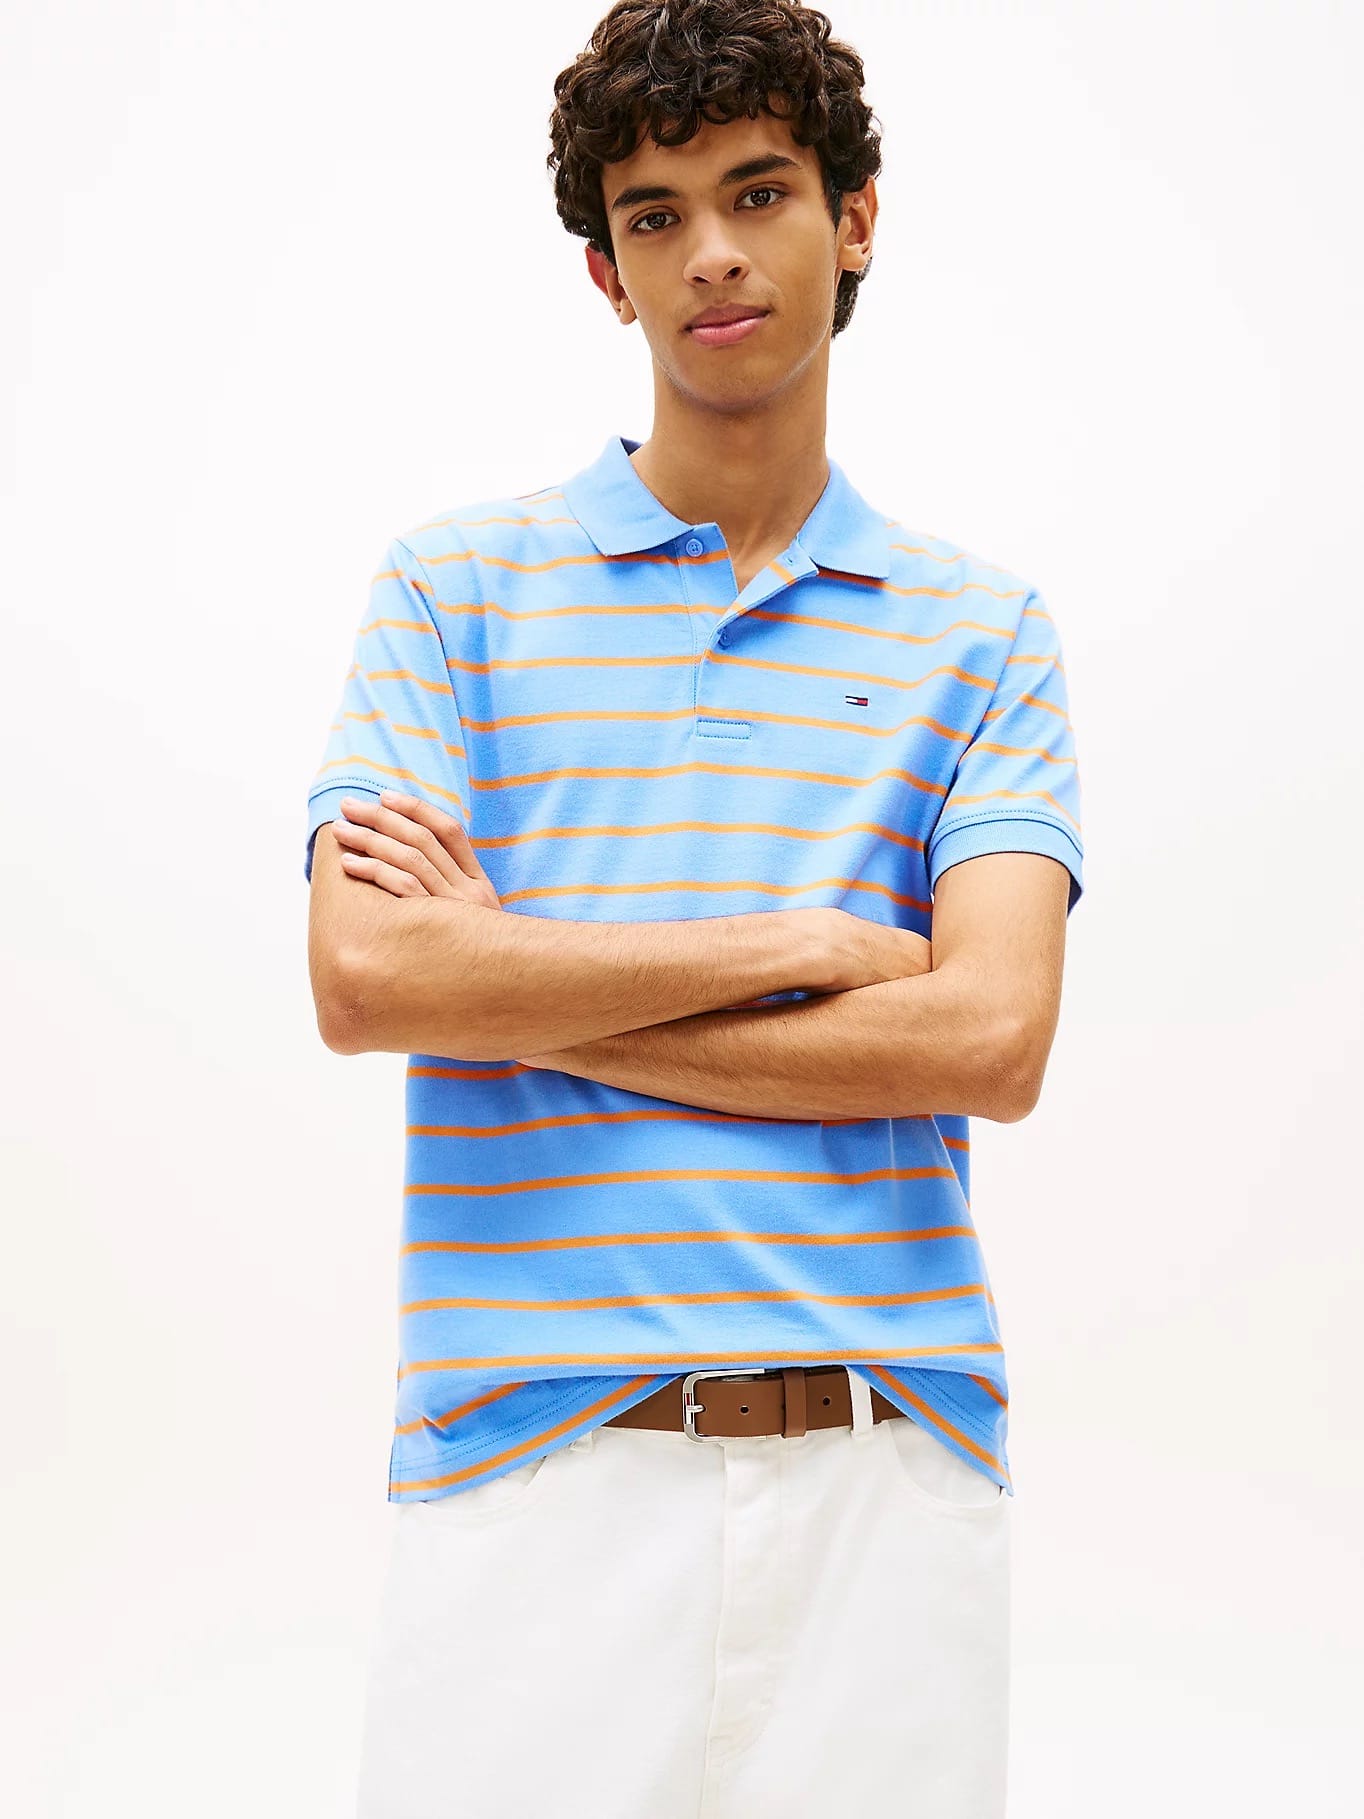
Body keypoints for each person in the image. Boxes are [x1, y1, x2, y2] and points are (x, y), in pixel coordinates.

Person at [303, 3, 1084, 1813]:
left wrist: (512, 988)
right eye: (654, 217)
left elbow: (990, 1036)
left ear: (854, 219)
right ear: (608, 273)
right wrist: (798, 952)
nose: (710, 252)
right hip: (530, 1474)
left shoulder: (983, 631)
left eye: (758, 192)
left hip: (891, 1472)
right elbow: (367, 977)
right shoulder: (452, 592)